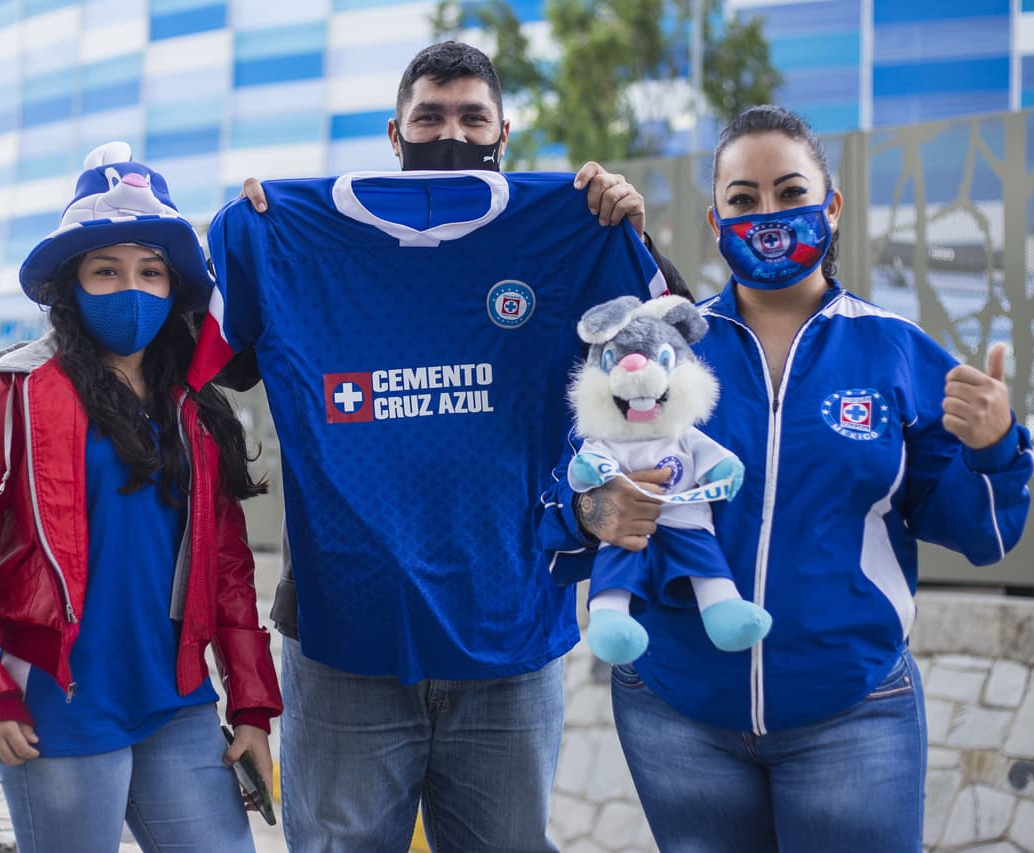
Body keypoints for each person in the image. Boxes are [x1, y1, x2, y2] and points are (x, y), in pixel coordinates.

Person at [205, 40, 687, 853]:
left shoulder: (570, 229)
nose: (451, 133)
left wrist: (634, 234)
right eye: (430, 116)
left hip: (511, 636)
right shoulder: (285, 236)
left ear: (505, 133)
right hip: (343, 642)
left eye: (472, 117)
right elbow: (210, 359)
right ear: (395, 133)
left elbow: (669, 349)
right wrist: (230, 231)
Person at [540, 104, 1034, 852]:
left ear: (831, 207)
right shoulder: (665, 355)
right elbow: (566, 505)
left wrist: (994, 447)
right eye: (743, 200)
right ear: (715, 222)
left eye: (790, 192)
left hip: (854, 716)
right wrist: (592, 508)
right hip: (677, 716)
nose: (767, 214)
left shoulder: (898, 353)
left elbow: (984, 534)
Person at [0, 142, 283, 853]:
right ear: (70, 285)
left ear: (175, 285)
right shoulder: (12, 393)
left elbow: (228, 568)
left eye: (150, 270)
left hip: (177, 699)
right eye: (104, 270)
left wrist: (253, 704)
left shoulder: (194, 405)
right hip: (61, 704)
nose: (131, 288)